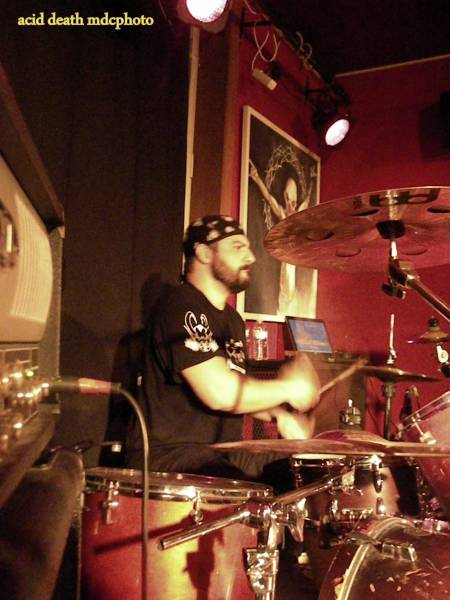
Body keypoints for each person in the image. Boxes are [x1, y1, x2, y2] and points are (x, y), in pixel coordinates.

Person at [126, 214, 320, 488]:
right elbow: (221, 393)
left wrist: (279, 414)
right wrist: (290, 388)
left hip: (220, 452)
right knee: (243, 486)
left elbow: (239, 388)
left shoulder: (232, 320)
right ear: (204, 253)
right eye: (238, 247)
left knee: (302, 470)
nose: (251, 257)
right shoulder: (180, 305)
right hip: (168, 456)